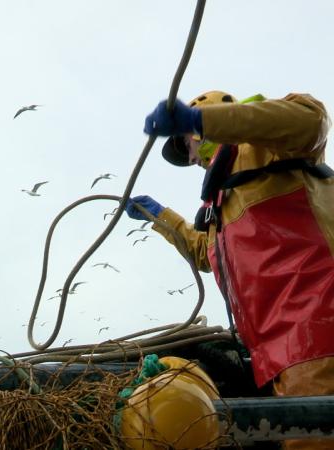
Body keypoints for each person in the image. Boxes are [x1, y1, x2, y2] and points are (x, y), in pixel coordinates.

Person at [127, 90, 334, 449]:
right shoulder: (218, 205)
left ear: (200, 131)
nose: (191, 159)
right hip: (274, 354)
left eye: (186, 146)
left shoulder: (269, 148)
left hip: (318, 328)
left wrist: (203, 121)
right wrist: (159, 215)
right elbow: (205, 255)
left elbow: (311, 121)